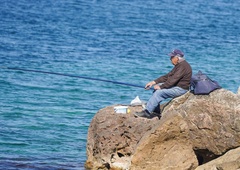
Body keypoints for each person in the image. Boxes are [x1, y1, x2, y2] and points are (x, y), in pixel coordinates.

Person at [135, 49, 192, 119]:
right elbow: (168, 76)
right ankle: (156, 111)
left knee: (159, 92)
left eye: (172, 57)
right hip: (177, 87)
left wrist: (161, 87)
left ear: (177, 58)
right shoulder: (179, 65)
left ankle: (147, 112)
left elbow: (172, 80)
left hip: (181, 89)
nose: (170, 59)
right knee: (156, 90)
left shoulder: (182, 66)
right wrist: (153, 82)